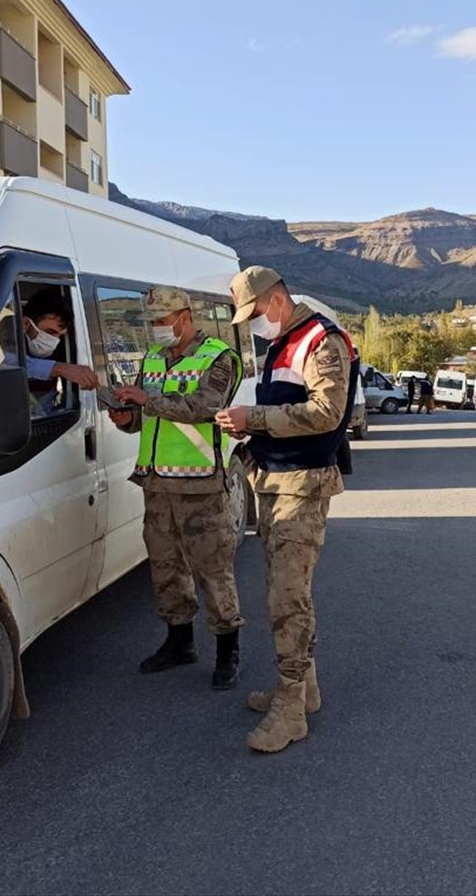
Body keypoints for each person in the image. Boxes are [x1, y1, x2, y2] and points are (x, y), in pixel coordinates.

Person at [216, 266, 358, 754]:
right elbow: (287, 415)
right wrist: (250, 431)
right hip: (276, 481)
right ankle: (303, 688)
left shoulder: (321, 339)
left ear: (276, 300)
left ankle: (291, 710)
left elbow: (326, 413)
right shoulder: (284, 341)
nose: (254, 324)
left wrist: (252, 417)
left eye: (254, 313)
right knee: (285, 593)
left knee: (287, 600)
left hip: (302, 486)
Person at [108, 286, 245, 689]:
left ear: (185, 317)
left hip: (199, 487)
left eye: (162, 321)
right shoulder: (152, 359)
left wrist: (146, 400)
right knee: (165, 569)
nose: (155, 330)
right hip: (156, 484)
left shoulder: (219, 358)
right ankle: (179, 643)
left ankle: (227, 651)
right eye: (151, 322)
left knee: (213, 572)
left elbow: (204, 408)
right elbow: (144, 418)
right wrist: (126, 418)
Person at [3, 290, 99, 393]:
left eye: (60, 335)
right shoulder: (6, 339)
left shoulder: (63, 349)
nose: (55, 341)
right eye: (50, 333)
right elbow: (3, 362)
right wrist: (57, 368)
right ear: (26, 324)